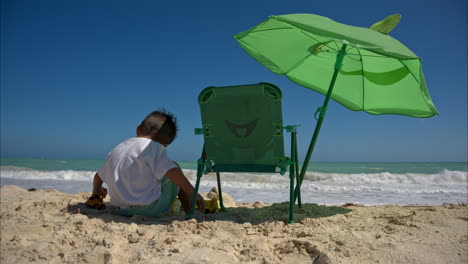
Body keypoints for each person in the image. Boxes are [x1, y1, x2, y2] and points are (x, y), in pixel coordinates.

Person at [90, 109, 205, 217]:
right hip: (149, 209)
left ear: (139, 129)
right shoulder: (153, 147)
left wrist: (97, 191)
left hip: (121, 210)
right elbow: (172, 171)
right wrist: (193, 192)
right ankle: (190, 210)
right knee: (175, 167)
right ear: (164, 145)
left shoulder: (117, 149)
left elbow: (98, 177)